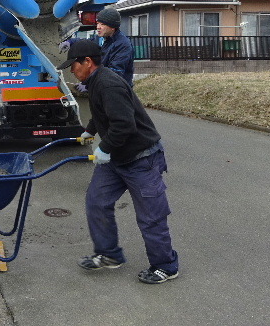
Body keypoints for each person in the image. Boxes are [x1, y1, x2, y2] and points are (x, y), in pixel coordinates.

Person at [57, 39, 179, 284]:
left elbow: (124, 125)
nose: (72, 70)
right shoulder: (94, 82)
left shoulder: (108, 84)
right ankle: (109, 254)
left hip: (141, 158)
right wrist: (90, 130)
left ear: (88, 62)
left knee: (150, 216)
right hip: (117, 159)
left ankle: (165, 266)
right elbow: (103, 114)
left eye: (74, 65)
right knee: (97, 201)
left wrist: (104, 147)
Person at [95, 7, 134, 86]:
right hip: (104, 86)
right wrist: (70, 42)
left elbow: (114, 72)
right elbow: (87, 43)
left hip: (118, 90)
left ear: (113, 27)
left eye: (102, 24)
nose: (98, 27)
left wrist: (91, 82)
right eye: (97, 23)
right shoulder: (104, 39)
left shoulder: (123, 45)